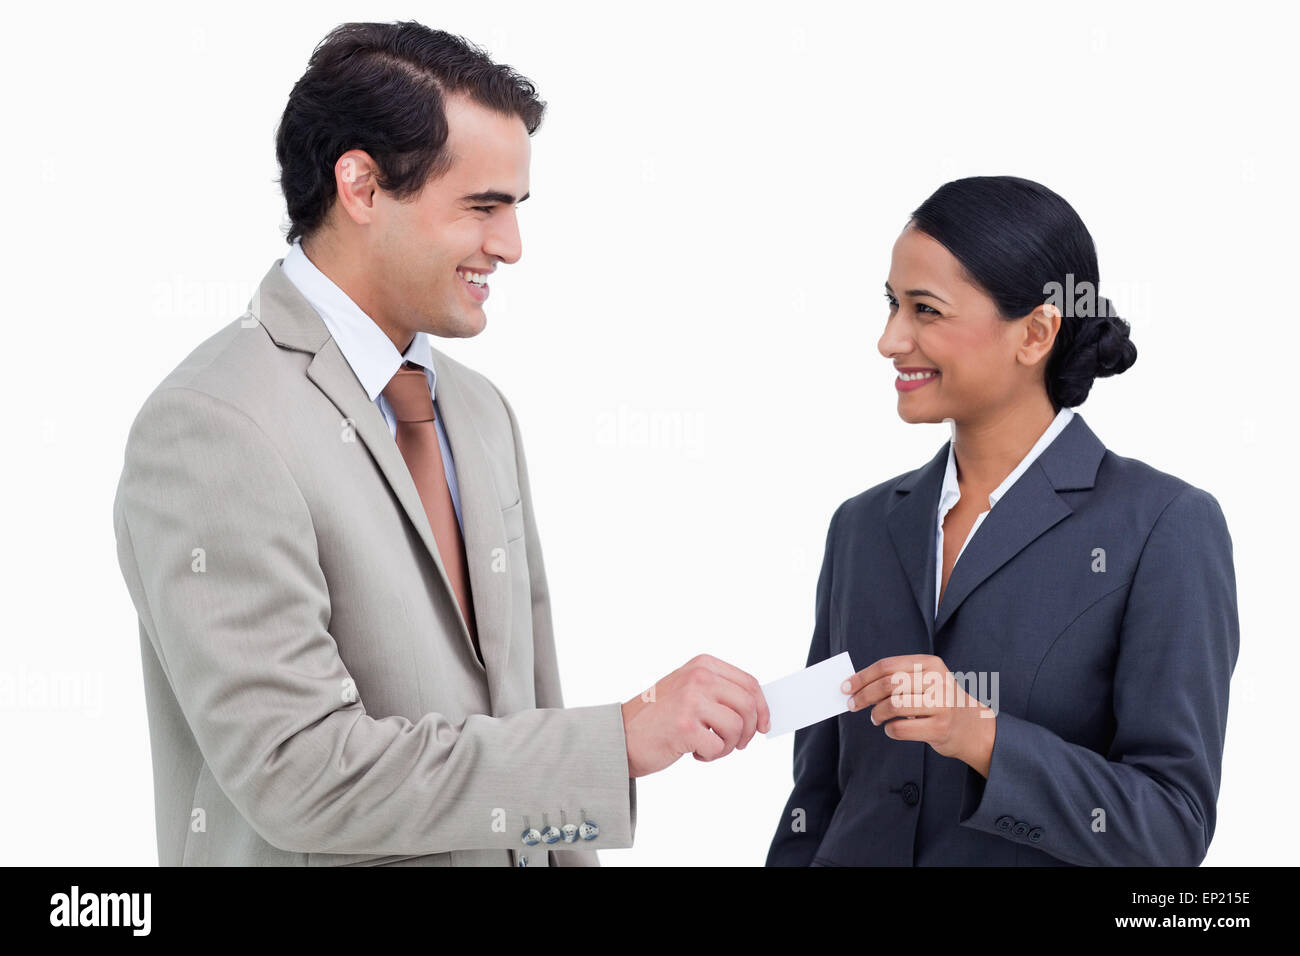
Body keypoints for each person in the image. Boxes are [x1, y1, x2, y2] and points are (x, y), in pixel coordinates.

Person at [112, 20, 768, 868]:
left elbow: (527, 712)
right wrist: (618, 743)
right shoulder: (211, 425)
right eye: (482, 207)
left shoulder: (478, 410)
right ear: (361, 185)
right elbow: (300, 774)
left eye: (516, 209)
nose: (512, 246)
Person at [766, 175, 1238, 866]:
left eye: (926, 310)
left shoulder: (1163, 526)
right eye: (893, 304)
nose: (889, 339)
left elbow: (1169, 829)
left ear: (1037, 331)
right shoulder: (861, 526)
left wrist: (981, 735)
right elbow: (818, 792)